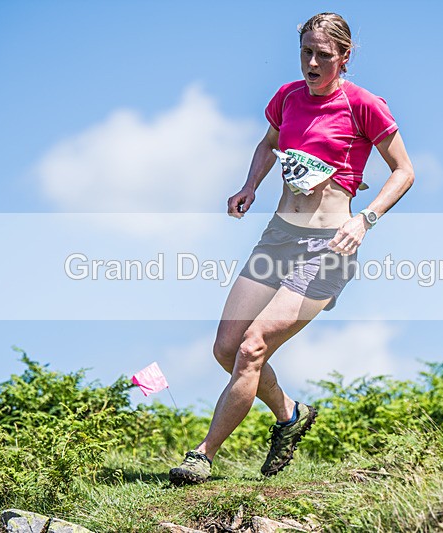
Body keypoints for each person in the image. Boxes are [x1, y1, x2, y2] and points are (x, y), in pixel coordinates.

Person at [169, 12, 414, 485]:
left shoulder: (364, 105)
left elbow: (404, 170)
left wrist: (366, 220)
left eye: (325, 55)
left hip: (330, 245)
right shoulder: (286, 97)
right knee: (225, 347)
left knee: (253, 346)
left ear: (344, 58)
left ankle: (202, 455)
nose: (313, 63)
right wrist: (249, 186)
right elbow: (269, 143)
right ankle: (289, 413)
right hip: (278, 236)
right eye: (306, 52)